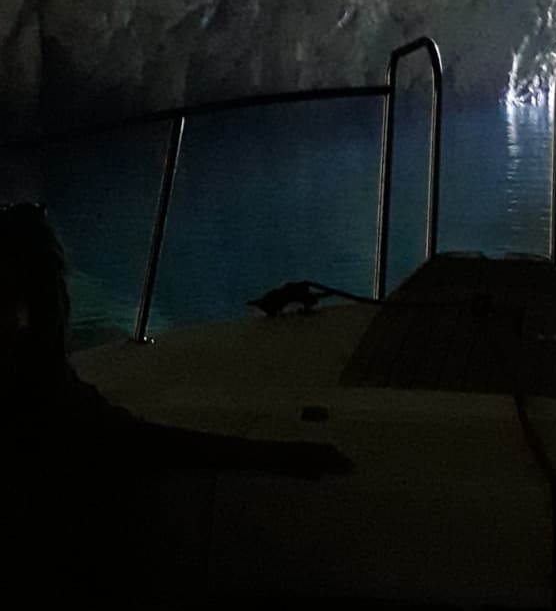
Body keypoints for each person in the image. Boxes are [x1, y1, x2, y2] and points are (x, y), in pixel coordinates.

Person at [0, 201, 352, 593]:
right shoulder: (47, 398)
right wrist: (271, 455)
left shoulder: (45, 393)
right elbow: (138, 441)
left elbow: (133, 439)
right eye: (50, 287)